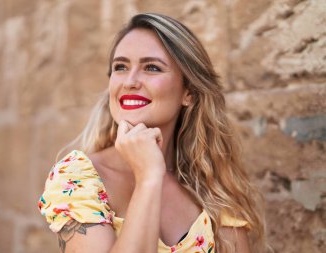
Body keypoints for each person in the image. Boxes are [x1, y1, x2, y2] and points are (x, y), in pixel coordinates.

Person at [38, 13, 265, 253]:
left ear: (188, 92)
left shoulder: (212, 188)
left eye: (152, 67)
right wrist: (148, 177)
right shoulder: (78, 178)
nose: (131, 81)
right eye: (121, 67)